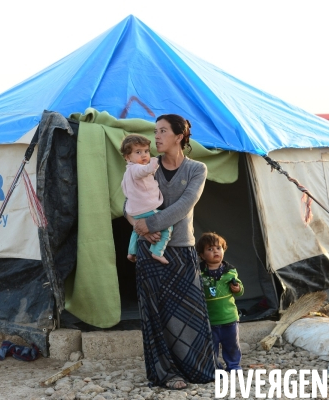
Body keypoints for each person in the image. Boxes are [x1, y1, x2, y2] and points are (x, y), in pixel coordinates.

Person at [125, 114, 216, 390]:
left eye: (162, 131)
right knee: (155, 315)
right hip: (149, 249)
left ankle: (197, 367)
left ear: (179, 136)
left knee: (192, 313)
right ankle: (166, 373)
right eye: (155, 131)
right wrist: (139, 228)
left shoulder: (196, 169)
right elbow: (128, 202)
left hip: (182, 250)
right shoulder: (145, 166)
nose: (156, 137)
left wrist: (149, 223)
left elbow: (184, 205)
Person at [196, 232, 244, 372]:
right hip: (210, 319)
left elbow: (240, 291)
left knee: (232, 344)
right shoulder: (199, 272)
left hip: (229, 316)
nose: (215, 251)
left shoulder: (230, 272)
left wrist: (237, 288)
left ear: (223, 250)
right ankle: (215, 367)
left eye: (218, 248)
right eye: (210, 249)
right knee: (212, 345)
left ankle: (234, 365)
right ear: (202, 255)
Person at [120, 134, 171, 265]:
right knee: (168, 225)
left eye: (146, 151)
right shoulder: (137, 168)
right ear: (127, 157)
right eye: (138, 152)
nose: (144, 155)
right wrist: (153, 163)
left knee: (136, 230)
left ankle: (131, 252)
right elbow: (145, 170)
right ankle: (157, 252)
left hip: (135, 211)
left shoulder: (127, 173)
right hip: (147, 208)